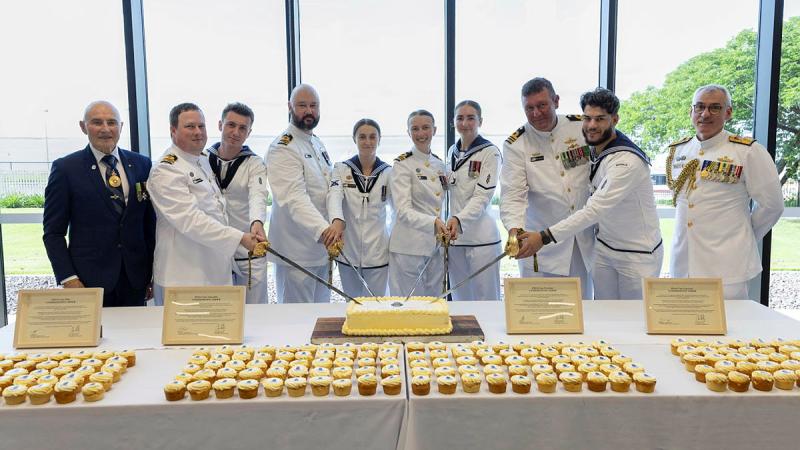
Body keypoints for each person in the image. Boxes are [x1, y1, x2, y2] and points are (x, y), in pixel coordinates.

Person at [526, 88, 662, 300]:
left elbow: (594, 209)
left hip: (637, 255)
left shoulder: (626, 161)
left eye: (600, 119)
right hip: (605, 250)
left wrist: (543, 237)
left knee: (636, 322)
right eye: (587, 118)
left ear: (614, 119)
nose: (591, 126)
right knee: (604, 319)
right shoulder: (597, 151)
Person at [667, 84, 783, 300]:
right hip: (684, 260)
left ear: (728, 113)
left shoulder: (747, 151)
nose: (705, 114)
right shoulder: (679, 150)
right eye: (699, 107)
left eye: (715, 108)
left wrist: (743, 236)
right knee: (685, 328)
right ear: (691, 111)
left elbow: (772, 205)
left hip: (727, 262)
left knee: (730, 329)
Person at [43, 101, 156, 307]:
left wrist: (152, 272)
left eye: (112, 122)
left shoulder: (142, 164)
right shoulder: (66, 169)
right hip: (88, 281)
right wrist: (68, 278)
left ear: (121, 126)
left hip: (135, 278)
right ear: (83, 126)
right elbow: (53, 232)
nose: (105, 129)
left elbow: (149, 224)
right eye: (97, 122)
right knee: (95, 339)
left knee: (136, 336)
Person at [148, 103, 261, 305]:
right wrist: (240, 237)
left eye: (201, 126)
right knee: (186, 337)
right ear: (173, 130)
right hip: (184, 276)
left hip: (213, 270)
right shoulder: (166, 170)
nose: (198, 132)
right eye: (190, 127)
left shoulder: (201, 161)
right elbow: (191, 221)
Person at [499, 77, 595, 299]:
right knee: (537, 312)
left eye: (542, 105)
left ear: (556, 101)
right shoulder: (516, 144)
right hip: (539, 244)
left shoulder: (580, 127)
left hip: (581, 242)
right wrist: (515, 231)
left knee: (579, 310)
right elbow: (513, 194)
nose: (536, 113)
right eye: (529, 108)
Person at [266, 84, 341, 303]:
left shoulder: (315, 142)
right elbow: (293, 198)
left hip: (321, 249)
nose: (309, 111)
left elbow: (328, 186)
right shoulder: (283, 147)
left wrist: (335, 223)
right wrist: (325, 231)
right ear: (290, 107)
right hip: (296, 251)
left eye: (313, 106)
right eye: (302, 105)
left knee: (320, 314)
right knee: (295, 320)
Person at [206, 103, 269, 304]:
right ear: (220, 125)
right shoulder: (202, 159)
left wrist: (257, 222)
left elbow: (258, 196)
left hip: (248, 247)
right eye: (231, 125)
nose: (235, 132)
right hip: (214, 248)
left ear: (249, 133)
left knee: (257, 312)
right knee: (219, 310)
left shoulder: (255, 163)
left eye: (242, 128)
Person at [388, 110, 452, 297]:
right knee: (407, 306)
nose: (421, 133)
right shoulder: (402, 164)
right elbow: (402, 210)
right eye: (415, 129)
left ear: (434, 130)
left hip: (434, 245)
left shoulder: (439, 164)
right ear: (408, 132)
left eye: (425, 127)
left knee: (432, 303)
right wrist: (433, 222)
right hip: (408, 247)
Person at [327, 119, 392, 297]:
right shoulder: (341, 169)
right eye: (362, 137)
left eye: (372, 137)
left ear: (379, 139)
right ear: (354, 139)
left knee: (378, 306)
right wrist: (337, 220)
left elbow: (397, 210)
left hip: (378, 253)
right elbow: (333, 197)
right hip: (348, 252)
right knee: (353, 305)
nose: (367, 142)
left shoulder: (388, 172)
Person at [445, 100, 502, 300]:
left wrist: (459, 220)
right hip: (456, 239)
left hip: (481, 239)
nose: (465, 122)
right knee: (461, 301)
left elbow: (482, 197)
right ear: (453, 122)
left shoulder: (490, 152)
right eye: (460, 118)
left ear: (480, 121)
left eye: (471, 118)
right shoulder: (452, 151)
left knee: (487, 300)